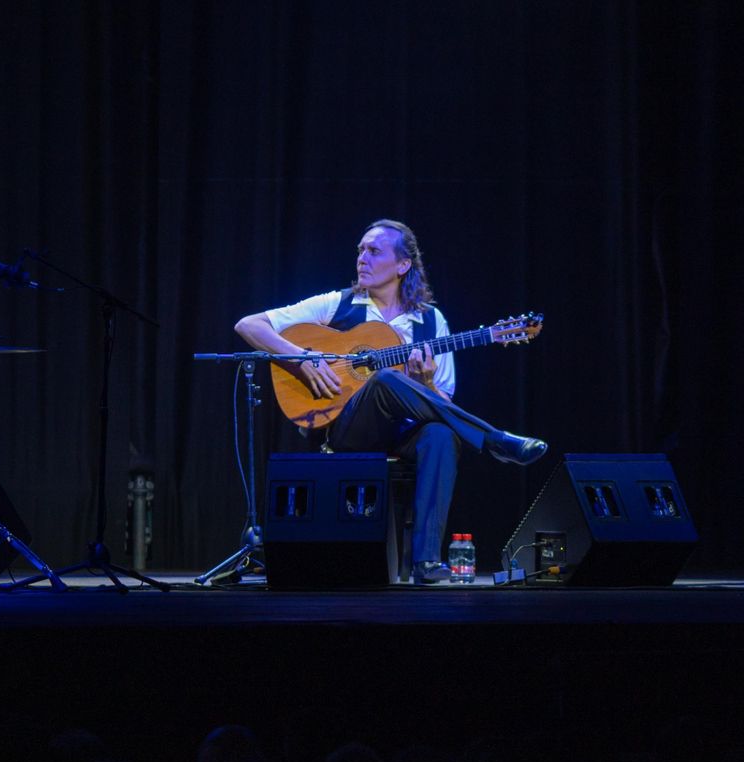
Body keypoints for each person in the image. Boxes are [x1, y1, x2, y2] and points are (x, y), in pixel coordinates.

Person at [234, 219, 546, 584]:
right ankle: (494, 440)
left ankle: (426, 562)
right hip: (348, 428)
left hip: (403, 435)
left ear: (403, 265)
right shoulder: (338, 305)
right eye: (360, 250)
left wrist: (425, 381)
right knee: (385, 378)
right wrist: (304, 357)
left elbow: (442, 403)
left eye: (374, 251)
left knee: (442, 436)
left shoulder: (432, 322)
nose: (362, 258)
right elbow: (248, 325)